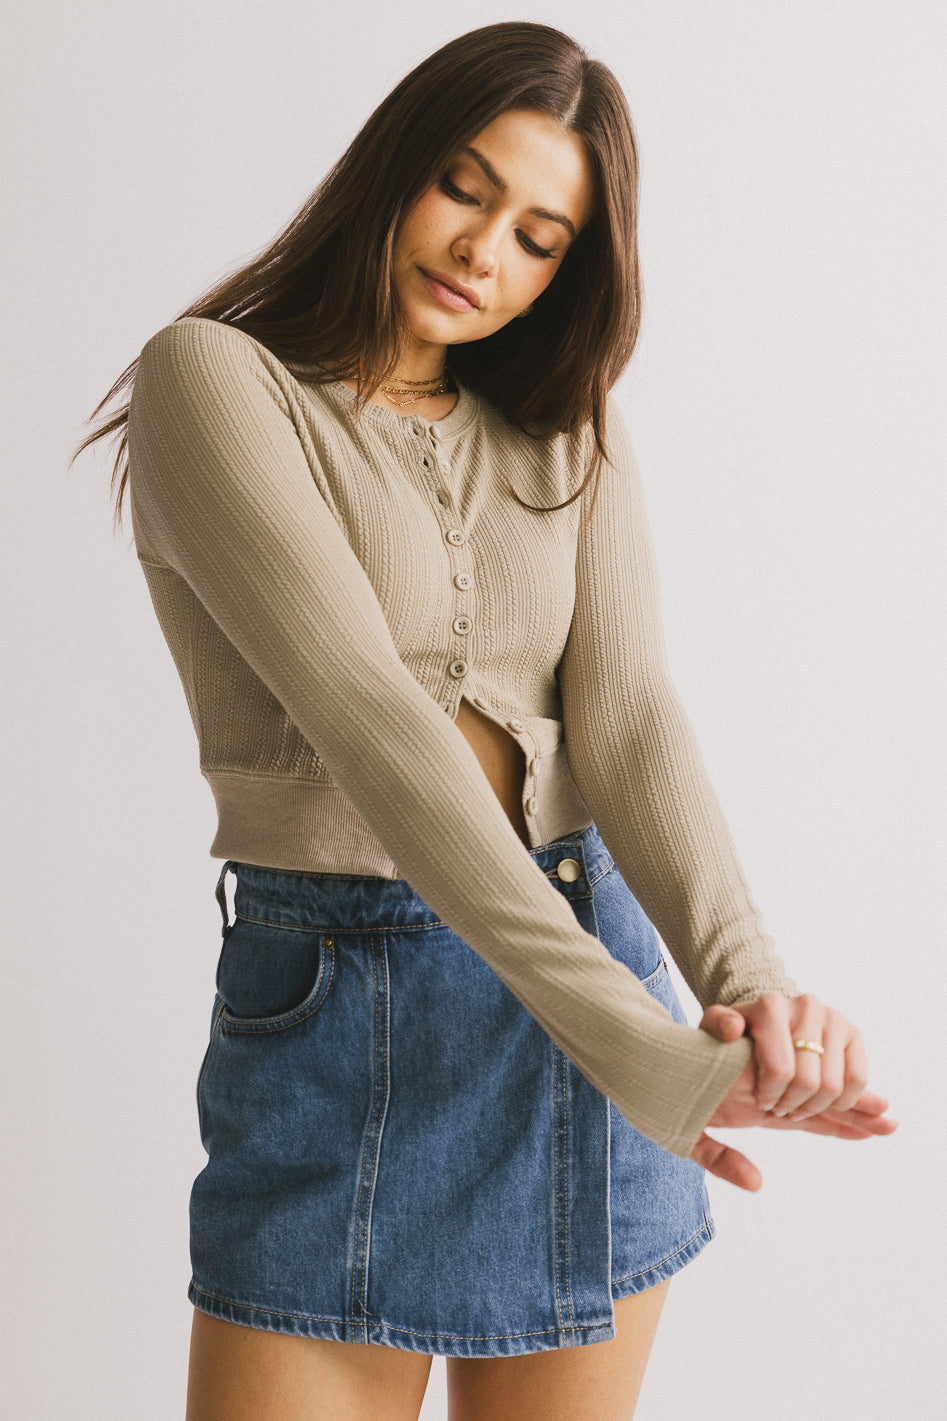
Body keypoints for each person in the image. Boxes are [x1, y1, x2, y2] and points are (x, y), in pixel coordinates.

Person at [74, 21, 895, 1421]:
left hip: (592, 972)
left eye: (539, 237)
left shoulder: (566, 426)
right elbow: (372, 721)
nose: (483, 251)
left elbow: (630, 717)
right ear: (393, 167)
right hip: (348, 1010)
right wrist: (642, 1052)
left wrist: (752, 993)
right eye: (464, 187)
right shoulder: (215, 379)